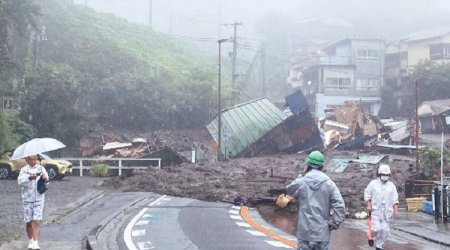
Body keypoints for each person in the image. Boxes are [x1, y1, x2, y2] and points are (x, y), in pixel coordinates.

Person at [286, 150, 346, 250]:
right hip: (322, 233)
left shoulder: (302, 181)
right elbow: (340, 206)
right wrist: (333, 224)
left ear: (307, 164)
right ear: (322, 166)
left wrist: (302, 175)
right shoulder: (329, 183)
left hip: (305, 233)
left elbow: (290, 189)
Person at [364, 164, 399, 250]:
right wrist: (369, 205)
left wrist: (396, 211)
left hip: (387, 212)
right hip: (376, 211)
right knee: (376, 229)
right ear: (379, 174)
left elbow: (395, 199)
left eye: (387, 175)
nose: (385, 176)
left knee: (384, 231)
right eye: (383, 175)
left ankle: (379, 246)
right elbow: (367, 194)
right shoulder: (373, 184)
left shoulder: (392, 186)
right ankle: (370, 236)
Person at [18, 154, 49, 250]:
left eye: (35, 159)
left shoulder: (41, 168)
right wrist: (28, 179)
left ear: (37, 159)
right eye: (31, 159)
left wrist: (45, 178)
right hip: (27, 199)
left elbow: (47, 182)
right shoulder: (24, 170)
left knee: (36, 220)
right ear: (27, 160)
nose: (33, 161)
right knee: (29, 221)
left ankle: (36, 243)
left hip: (39, 199)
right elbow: (20, 182)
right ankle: (31, 240)